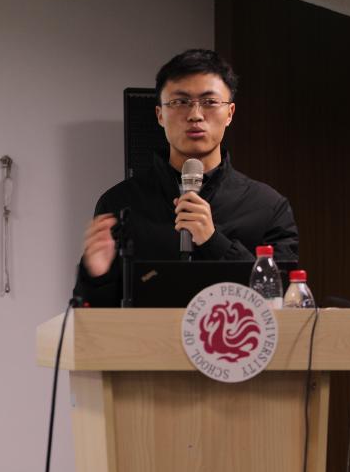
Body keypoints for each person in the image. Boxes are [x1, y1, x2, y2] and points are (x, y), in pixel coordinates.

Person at [73, 48, 298, 307]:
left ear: (230, 113)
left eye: (210, 102)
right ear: (160, 115)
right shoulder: (120, 203)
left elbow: (284, 304)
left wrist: (214, 242)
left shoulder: (268, 206)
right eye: (180, 102)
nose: (195, 115)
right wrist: (96, 276)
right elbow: (93, 315)